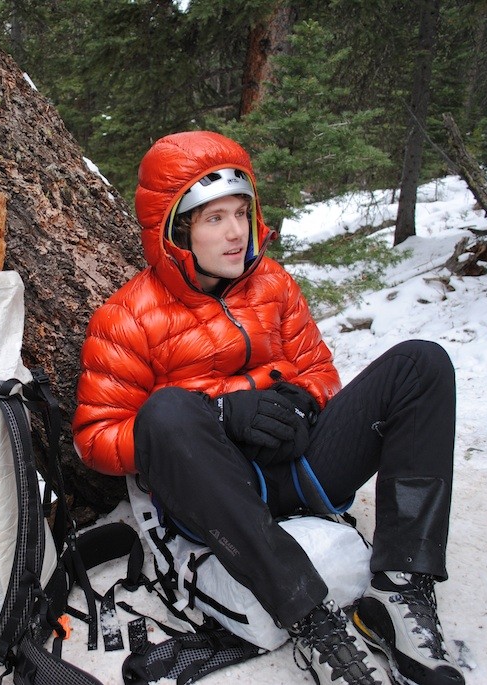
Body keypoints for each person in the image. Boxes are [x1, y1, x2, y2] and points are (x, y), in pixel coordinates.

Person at [72, 130, 465, 685]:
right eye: (214, 218)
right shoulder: (127, 317)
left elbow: (320, 370)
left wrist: (302, 402)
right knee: (166, 411)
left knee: (421, 364)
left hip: (297, 465)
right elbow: (96, 439)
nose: (236, 233)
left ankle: (402, 587)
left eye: (241, 212)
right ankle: (309, 618)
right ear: (175, 231)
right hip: (216, 495)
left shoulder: (273, 283)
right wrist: (221, 415)